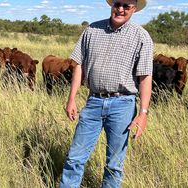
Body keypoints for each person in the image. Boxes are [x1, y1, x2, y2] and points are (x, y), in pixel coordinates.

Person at [60, 0, 153, 187]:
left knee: (114, 164)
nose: (120, 9)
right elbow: (79, 65)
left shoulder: (141, 36)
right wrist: (71, 99)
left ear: (134, 9)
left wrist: (143, 113)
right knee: (75, 158)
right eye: (117, 4)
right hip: (94, 101)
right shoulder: (92, 30)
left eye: (126, 6)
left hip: (123, 104)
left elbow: (145, 77)